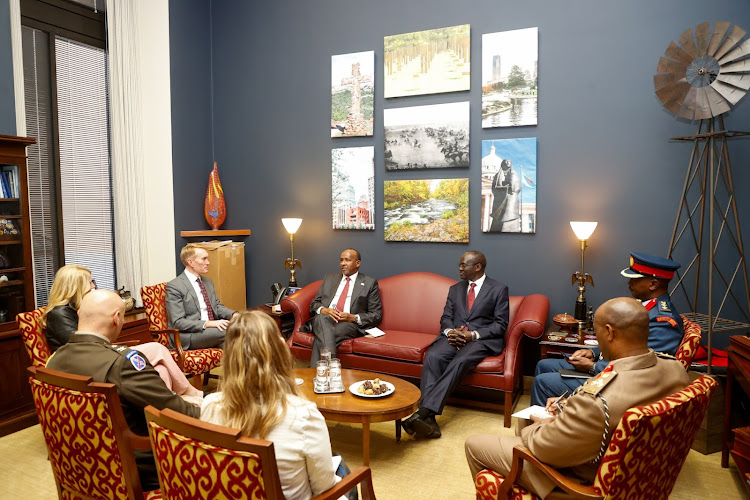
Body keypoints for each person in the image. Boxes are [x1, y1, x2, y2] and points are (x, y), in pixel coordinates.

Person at [465, 297, 690, 498]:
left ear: (610, 332)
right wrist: (566, 408)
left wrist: (541, 424)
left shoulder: (597, 402)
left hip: (584, 478)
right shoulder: (676, 370)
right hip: (639, 472)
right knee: (528, 423)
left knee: (478, 442)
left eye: (598, 331)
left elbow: (545, 447)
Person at [47, 290, 201, 491]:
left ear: (79, 316)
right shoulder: (123, 363)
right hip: (140, 468)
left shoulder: (53, 362)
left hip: (80, 467)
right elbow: (181, 414)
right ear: (116, 318)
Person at [201, 311, 355, 500]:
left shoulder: (209, 406)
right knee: (343, 471)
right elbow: (323, 488)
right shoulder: (303, 416)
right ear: (280, 352)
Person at [530, 252, 684, 406]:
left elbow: (642, 369)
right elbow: (622, 344)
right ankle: (550, 419)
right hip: (608, 368)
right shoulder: (645, 308)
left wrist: (593, 367)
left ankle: (546, 428)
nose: (629, 282)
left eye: (635, 279)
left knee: (542, 382)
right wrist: (592, 352)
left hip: (617, 384)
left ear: (653, 284)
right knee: (543, 365)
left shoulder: (663, 321)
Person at [42, 264, 202, 401]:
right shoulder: (59, 313)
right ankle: (187, 394)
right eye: (90, 283)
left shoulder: (78, 307)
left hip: (101, 357)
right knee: (157, 349)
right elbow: (83, 345)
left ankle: (163, 411)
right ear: (75, 286)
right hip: (87, 365)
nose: (93, 287)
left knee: (161, 371)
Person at [402, 251, 509, 439]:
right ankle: (429, 421)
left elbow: (500, 325)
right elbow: (446, 317)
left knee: (460, 361)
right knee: (434, 355)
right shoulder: (455, 289)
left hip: (480, 340)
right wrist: (450, 332)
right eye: (459, 265)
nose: (459, 268)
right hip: (453, 336)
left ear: (477, 267)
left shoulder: (498, 289)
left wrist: (472, 335)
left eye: (463, 265)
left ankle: (424, 412)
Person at [306, 248, 382, 366]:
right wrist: (324, 310)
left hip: (348, 324)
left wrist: (353, 317)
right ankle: (331, 368)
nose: (343, 263)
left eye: (347, 260)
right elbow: (314, 304)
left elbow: (376, 315)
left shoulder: (369, 283)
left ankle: (318, 373)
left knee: (324, 336)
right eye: (341, 260)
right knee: (322, 319)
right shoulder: (330, 278)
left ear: (358, 263)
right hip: (324, 319)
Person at [166, 243, 237, 349]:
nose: (208, 262)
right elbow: (178, 322)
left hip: (211, 332)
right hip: (189, 335)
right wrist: (208, 324)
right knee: (233, 331)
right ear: (191, 262)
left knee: (239, 345)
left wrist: (234, 315)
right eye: (204, 259)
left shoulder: (207, 282)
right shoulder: (175, 286)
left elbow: (216, 306)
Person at [490, 159, 520, 232]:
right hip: (501, 206)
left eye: (506, 169)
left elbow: (513, 188)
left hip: (510, 207)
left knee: (506, 221)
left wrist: (505, 186)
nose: (505, 173)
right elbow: (494, 188)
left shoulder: (513, 174)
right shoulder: (498, 175)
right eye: (504, 169)